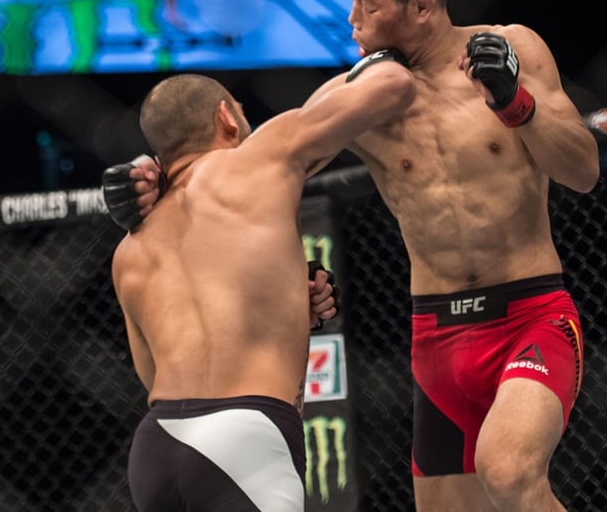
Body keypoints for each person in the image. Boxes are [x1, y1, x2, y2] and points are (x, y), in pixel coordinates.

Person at [102, 0, 601, 510]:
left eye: (365, 4)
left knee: (508, 471)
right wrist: (151, 180)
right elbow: (243, 168)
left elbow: (583, 170)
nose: (351, 21)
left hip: (529, 317)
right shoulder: (355, 96)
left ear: (420, 6)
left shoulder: (514, 47)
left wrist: (517, 103)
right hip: (437, 337)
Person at [109, 54, 414, 510]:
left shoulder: (128, 250)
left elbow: (153, 372)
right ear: (227, 117)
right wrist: (382, 55)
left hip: (157, 446)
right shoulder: (260, 159)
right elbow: (394, 86)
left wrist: (289, 306)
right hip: (245, 438)